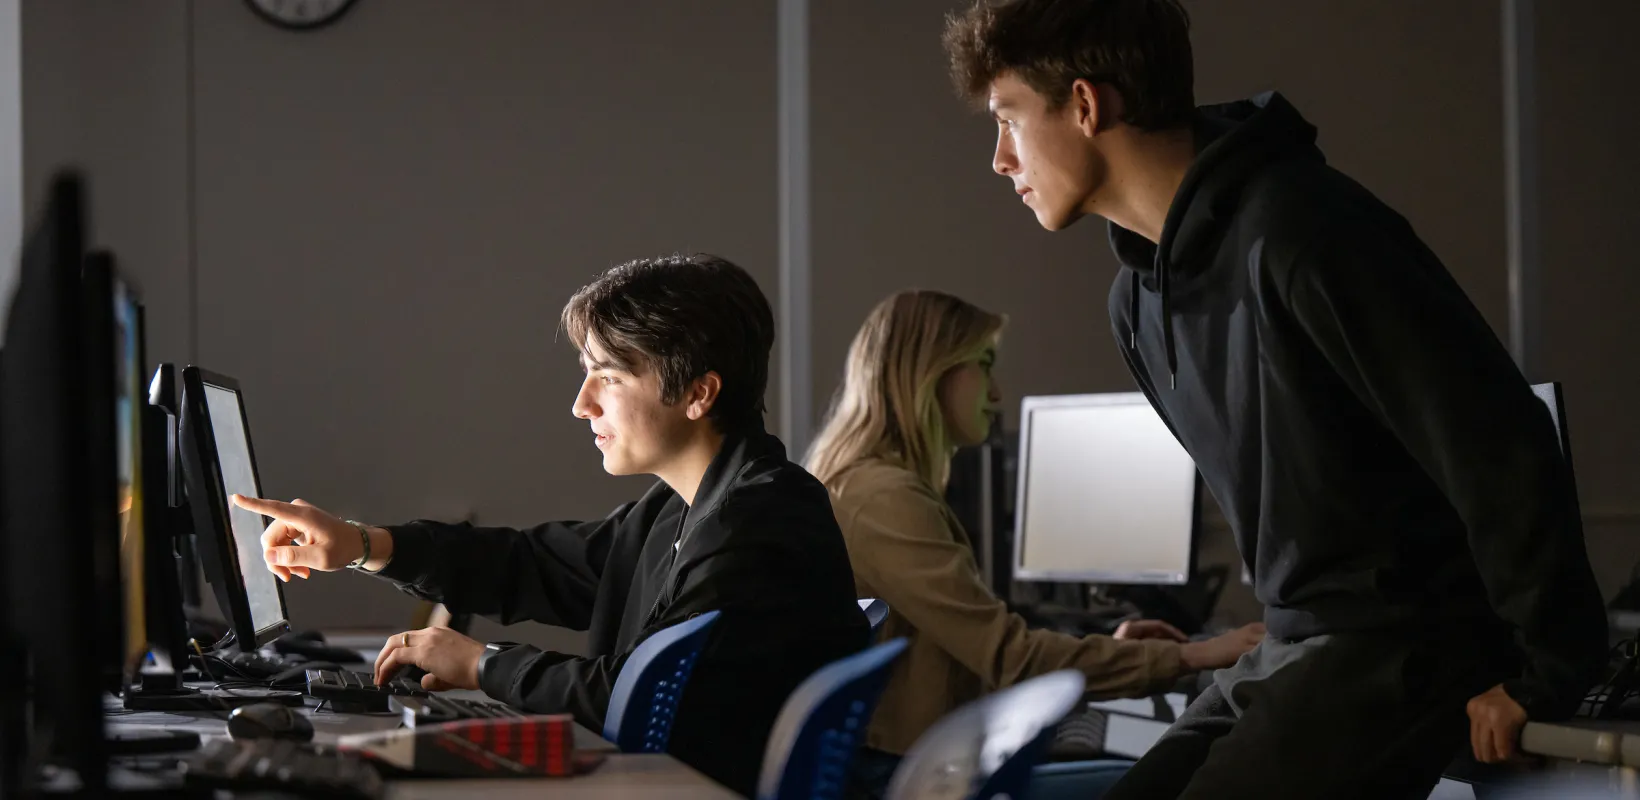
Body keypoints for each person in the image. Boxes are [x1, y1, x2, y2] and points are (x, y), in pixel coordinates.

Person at [941, 1, 1607, 797]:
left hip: (1402, 642)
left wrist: (1549, 667)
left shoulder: (1305, 229)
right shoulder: (1139, 306)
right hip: (1296, 641)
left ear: (1085, 105)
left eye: (1008, 120)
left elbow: (1498, 439)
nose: (999, 160)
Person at [231, 254, 870, 795]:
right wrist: (362, 545)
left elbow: (636, 698)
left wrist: (483, 665)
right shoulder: (685, 505)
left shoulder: (759, 520)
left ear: (699, 394)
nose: (581, 403)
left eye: (609, 376)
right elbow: (533, 564)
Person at [806, 289, 1265, 798]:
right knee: (1174, 779)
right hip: (900, 779)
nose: (997, 393)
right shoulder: (885, 500)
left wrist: (1113, 655)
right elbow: (1009, 658)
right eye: (983, 364)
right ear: (931, 372)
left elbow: (981, 663)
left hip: (911, 763)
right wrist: (1192, 656)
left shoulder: (867, 486)